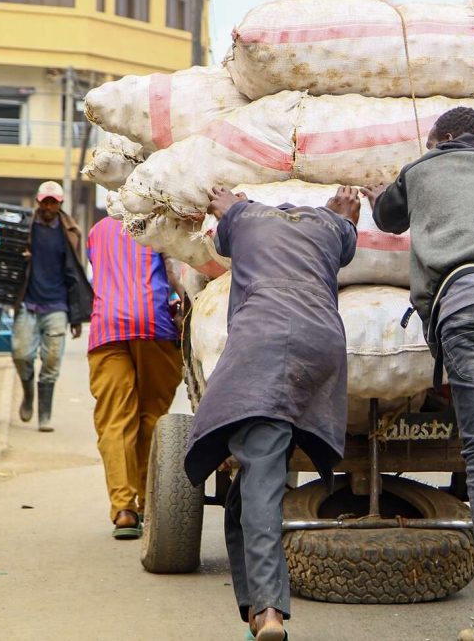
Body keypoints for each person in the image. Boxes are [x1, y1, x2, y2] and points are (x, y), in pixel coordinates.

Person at [367, 107, 474, 641]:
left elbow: (385, 218)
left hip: (465, 309)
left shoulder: (421, 169)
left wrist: (387, 186)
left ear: (439, 139)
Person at [183, 185, 359, 641]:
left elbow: (221, 232)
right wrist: (343, 214)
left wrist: (229, 206)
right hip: (322, 345)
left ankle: (268, 612)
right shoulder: (331, 226)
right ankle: (252, 615)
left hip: (264, 343)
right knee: (244, 496)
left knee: (261, 470)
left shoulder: (242, 219)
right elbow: (349, 237)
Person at [85, 216, 184, 539]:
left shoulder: (97, 230)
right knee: (152, 416)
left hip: (107, 329)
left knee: (115, 420)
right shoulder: (159, 224)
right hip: (154, 324)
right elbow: (175, 275)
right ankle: (146, 503)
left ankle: (124, 509)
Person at [11, 181, 92, 432]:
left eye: (53, 202)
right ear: (38, 202)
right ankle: (28, 394)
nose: (48, 206)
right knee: (21, 354)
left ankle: (44, 414)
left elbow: (74, 275)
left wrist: (76, 316)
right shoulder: (25, 227)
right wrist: (19, 255)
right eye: (45, 201)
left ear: (60, 204)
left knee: (52, 360)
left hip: (57, 306)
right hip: (28, 302)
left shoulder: (70, 231)